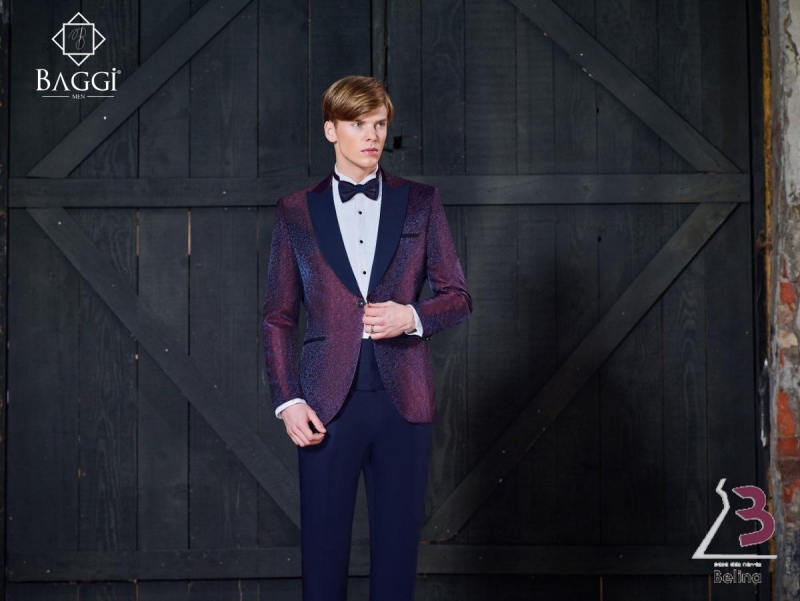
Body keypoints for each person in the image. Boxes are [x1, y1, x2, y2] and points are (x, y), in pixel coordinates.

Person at [261, 74, 472, 601]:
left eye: (379, 124)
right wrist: (288, 400)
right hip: (324, 405)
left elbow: (458, 297)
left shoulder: (421, 202)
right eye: (358, 125)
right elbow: (278, 317)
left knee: (397, 562)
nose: (372, 135)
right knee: (322, 561)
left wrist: (411, 315)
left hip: (405, 403)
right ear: (331, 130)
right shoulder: (295, 211)